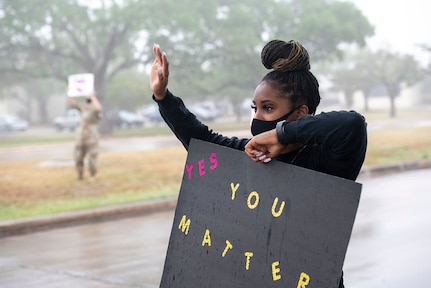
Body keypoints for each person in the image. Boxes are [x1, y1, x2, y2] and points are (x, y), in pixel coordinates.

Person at [150, 40, 367, 288]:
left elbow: (352, 125)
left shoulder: (327, 162)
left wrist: (281, 135)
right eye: (255, 108)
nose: (257, 118)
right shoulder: (248, 155)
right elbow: (202, 140)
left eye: (268, 108)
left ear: (300, 114)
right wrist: (162, 96)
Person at [67, 90, 103, 180]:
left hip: (92, 137)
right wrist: (69, 92)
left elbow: (99, 108)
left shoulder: (94, 110)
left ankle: (92, 175)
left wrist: (93, 97)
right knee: (78, 156)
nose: (87, 101)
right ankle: (80, 175)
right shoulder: (83, 108)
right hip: (81, 137)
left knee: (92, 158)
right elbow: (72, 103)